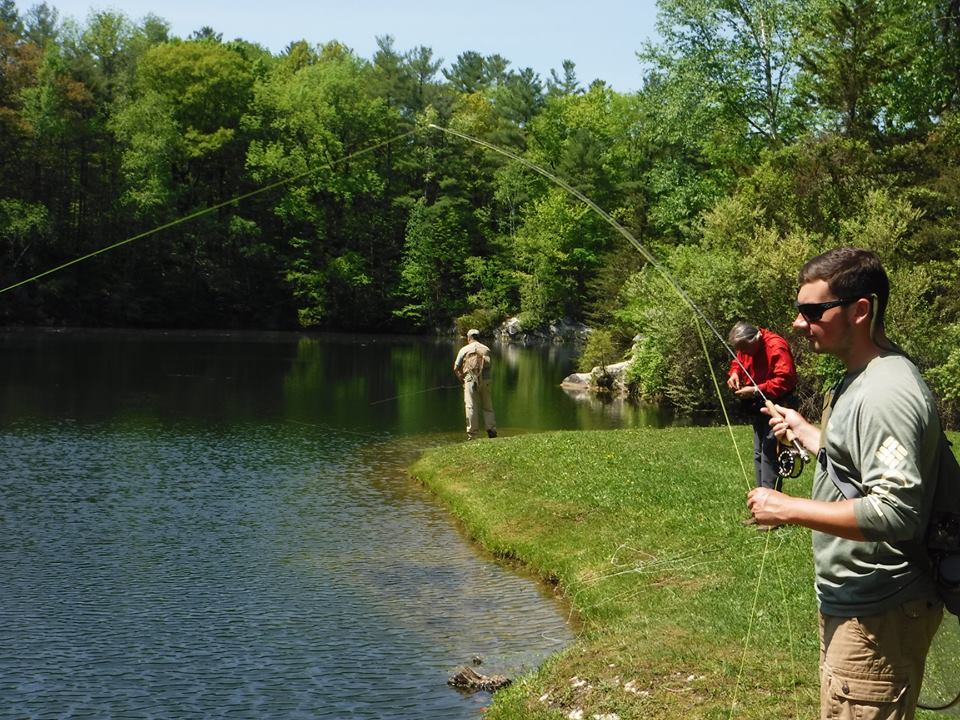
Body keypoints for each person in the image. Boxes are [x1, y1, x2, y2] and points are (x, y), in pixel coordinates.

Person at [747, 247, 944, 720]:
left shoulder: (885, 393)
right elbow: (860, 464)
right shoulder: (860, 379)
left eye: (813, 311)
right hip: (858, 606)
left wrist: (786, 508)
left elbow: (896, 512)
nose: (798, 323)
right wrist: (809, 433)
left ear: (860, 310)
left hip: (879, 612)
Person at [726, 321, 797, 500]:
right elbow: (738, 360)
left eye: (745, 348)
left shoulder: (776, 346)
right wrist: (734, 373)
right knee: (759, 453)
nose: (744, 352)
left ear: (756, 337)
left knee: (769, 453)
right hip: (758, 404)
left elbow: (785, 381)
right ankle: (761, 502)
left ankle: (772, 506)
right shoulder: (747, 345)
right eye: (739, 348)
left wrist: (755, 389)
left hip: (778, 404)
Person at [453, 328, 497, 440]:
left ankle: (472, 434)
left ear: (469, 338)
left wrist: (462, 380)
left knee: (470, 407)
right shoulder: (486, 349)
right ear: (478, 337)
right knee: (487, 406)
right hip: (485, 380)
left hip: (470, 379)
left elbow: (456, 368)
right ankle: (491, 430)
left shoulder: (464, 349)